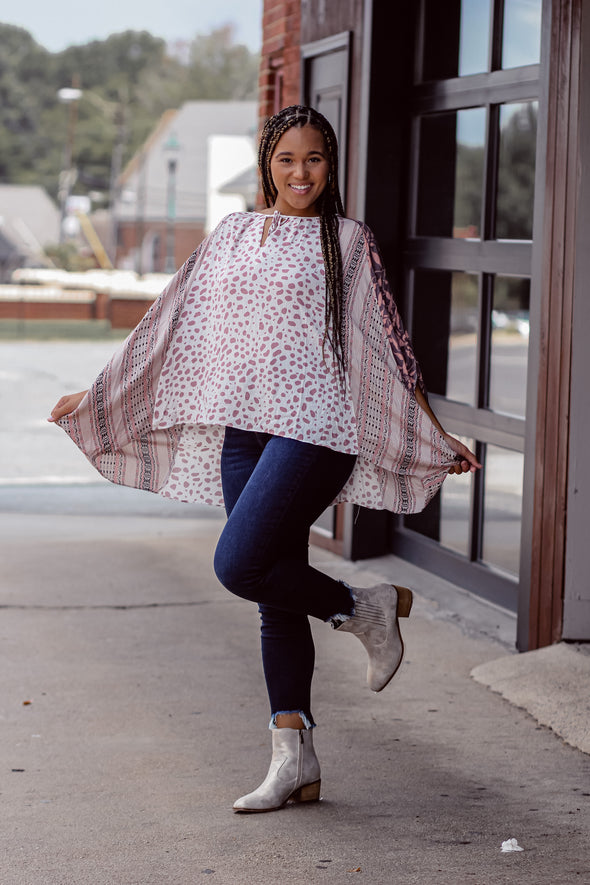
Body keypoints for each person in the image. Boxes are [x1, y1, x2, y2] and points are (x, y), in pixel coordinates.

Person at [49, 105, 480, 814]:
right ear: (266, 166)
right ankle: (295, 757)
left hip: (317, 432)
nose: (300, 172)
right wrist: (98, 392)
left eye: (313, 159)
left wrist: (431, 431)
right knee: (272, 593)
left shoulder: (347, 241)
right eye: (286, 159)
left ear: (330, 165)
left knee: (237, 563)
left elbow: (389, 348)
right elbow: (171, 320)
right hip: (244, 432)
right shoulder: (232, 235)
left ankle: (361, 608)